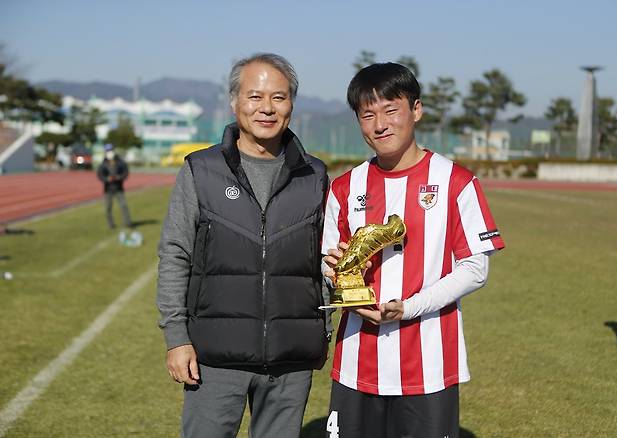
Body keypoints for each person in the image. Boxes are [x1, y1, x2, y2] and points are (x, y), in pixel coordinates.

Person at [321, 63, 505, 437]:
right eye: (367, 115)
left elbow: (474, 268)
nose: (379, 125)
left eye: (391, 110)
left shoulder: (456, 181)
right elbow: (328, 261)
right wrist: (345, 289)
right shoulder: (344, 186)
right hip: (358, 362)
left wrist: (409, 308)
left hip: (429, 365)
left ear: (416, 110)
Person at [157, 53, 329, 438]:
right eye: (255, 96)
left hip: (291, 359)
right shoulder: (200, 170)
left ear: (291, 105)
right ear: (234, 102)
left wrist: (323, 330)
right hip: (214, 358)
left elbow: (324, 261)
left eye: (279, 97)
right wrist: (177, 338)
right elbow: (175, 254)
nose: (267, 108)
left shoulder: (314, 175)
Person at [97, 143, 132, 229]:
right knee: (108, 208)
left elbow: (125, 172)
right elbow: (100, 175)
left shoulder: (120, 162)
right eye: (108, 151)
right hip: (108, 189)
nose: (109, 152)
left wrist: (118, 177)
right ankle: (110, 224)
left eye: (110, 150)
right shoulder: (103, 163)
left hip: (119, 187)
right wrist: (106, 179)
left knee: (123, 205)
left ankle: (128, 223)